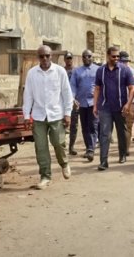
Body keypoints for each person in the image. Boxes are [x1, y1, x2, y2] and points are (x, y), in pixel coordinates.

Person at [22, 45, 73, 190]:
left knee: (58, 143)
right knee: (41, 147)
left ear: (51, 56)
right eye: (41, 56)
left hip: (56, 114)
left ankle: (64, 164)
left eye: (47, 56)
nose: (44, 59)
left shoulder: (59, 71)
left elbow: (66, 93)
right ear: (38, 57)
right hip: (38, 116)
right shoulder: (32, 73)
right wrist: (26, 115)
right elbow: (28, 95)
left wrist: (67, 114)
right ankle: (45, 176)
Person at [93, 46, 134, 171]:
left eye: (118, 56)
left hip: (121, 107)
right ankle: (103, 161)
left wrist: (128, 104)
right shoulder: (100, 71)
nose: (116, 58)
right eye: (114, 56)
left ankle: (122, 154)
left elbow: (132, 88)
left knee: (121, 132)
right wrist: (95, 105)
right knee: (105, 134)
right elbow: (97, 88)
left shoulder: (125, 70)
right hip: (105, 107)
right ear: (108, 56)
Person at [70, 49, 99, 162]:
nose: (87, 58)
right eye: (84, 56)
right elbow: (72, 86)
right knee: (85, 127)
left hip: (94, 102)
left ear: (92, 57)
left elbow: (101, 85)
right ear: (82, 58)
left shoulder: (98, 70)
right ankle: (89, 148)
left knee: (93, 126)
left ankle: (91, 149)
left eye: (89, 56)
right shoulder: (77, 71)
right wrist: (73, 98)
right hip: (81, 103)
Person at [119, 51, 134, 155]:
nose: (124, 64)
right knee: (119, 127)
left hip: (129, 102)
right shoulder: (114, 71)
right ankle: (121, 146)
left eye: (126, 61)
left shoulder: (132, 72)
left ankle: (125, 149)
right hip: (116, 103)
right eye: (122, 61)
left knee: (128, 126)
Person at [63, 52, 80, 156]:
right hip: (63, 102)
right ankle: (63, 147)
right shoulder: (61, 71)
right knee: (63, 125)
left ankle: (71, 147)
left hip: (74, 101)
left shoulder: (76, 71)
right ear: (64, 59)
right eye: (67, 58)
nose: (69, 60)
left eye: (70, 58)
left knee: (74, 125)